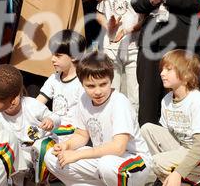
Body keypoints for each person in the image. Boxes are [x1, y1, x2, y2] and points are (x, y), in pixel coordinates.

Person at [44, 51, 153, 186]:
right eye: (90, 86)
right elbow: (81, 135)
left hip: (133, 162)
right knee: (51, 157)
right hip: (103, 158)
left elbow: (119, 147)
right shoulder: (84, 99)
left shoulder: (119, 102)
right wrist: (67, 146)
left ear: (111, 81)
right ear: (81, 83)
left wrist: (76, 155)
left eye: (103, 84)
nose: (97, 91)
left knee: (106, 164)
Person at [141, 49, 200, 185]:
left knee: (156, 162)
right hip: (183, 148)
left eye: (168, 70)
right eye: (162, 69)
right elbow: (166, 137)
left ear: (186, 76)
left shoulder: (198, 102)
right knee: (146, 129)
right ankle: (176, 179)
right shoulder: (166, 100)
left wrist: (178, 172)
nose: (162, 73)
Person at [95, 0, 144, 113]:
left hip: (134, 48)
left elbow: (144, 17)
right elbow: (99, 13)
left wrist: (131, 29)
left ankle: (132, 130)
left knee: (134, 95)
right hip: (110, 47)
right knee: (111, 90)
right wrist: (108, 25)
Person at [0, 88, 60, 185]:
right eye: (5, 97)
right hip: (20, 151)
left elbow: (56, 118)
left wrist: (50, 120)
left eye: (14, 96)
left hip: (42, 145)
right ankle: (23, 180)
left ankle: (42, 181)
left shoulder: (31, 104)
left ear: (20, 93)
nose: (11, 101)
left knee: (41, 147)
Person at [36, 30, 86, 137]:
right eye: (52, 54)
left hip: (72, 134)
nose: (52, 59)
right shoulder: (54, 78)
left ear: (74, 56)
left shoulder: (82, 83)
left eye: (58, 55)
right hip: (53, 129)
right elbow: (37, 104)